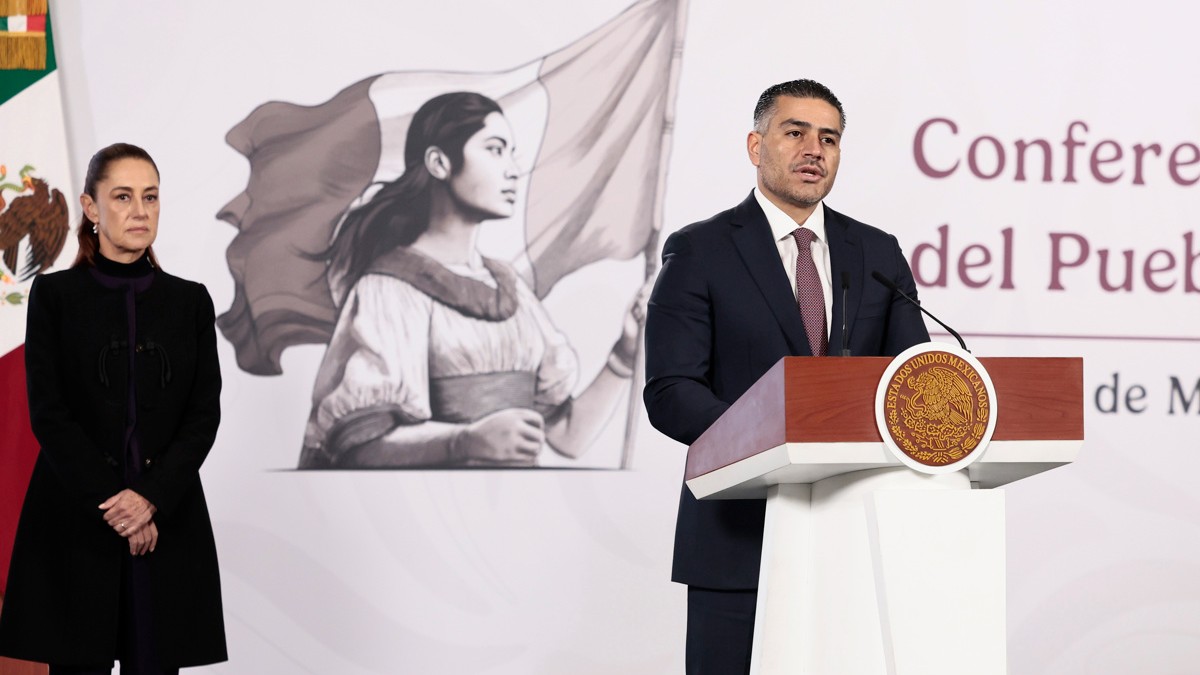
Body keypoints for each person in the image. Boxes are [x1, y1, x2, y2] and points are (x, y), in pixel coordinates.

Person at [643, 79, 930, 674]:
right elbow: (671, 391)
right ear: (756, 146)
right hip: (738, 536)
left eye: (829, 138)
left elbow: (913, 385)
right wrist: (778, 437)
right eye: (794, 132)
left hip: (855, 537)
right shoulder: (700, 250)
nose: (813, 150)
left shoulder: (877, 254)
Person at [298, 91, 643, 469]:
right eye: (495, 150)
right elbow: (359, 447)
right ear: (439, 163)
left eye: (511, 153)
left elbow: (567, 436)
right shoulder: (389, 289)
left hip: (516, 503)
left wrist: (625, 354)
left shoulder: (510, 288)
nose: (512, 170)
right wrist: (464, 442)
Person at [0, 144, 227, 673]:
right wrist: (119, 507)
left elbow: (203, 417)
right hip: (76, 521)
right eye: (123, 197)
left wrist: (149, 499)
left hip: (166, 522)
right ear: (91, 207)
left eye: (150, 197)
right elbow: (49, 413)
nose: (140, 210)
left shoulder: (190, 302)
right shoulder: (54, 296)